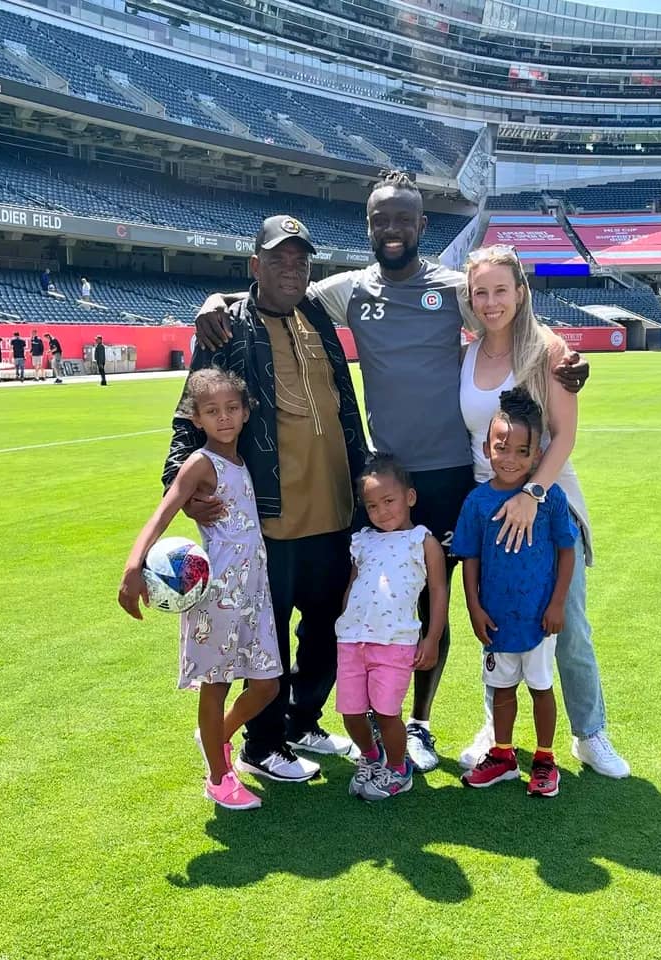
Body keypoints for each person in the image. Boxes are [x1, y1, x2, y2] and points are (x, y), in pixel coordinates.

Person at [193, 171, 590, 773]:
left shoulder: (454, 289)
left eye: (404, 219)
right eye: (382, 220)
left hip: (452, 476)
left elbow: (508, 309)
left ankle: (419, 724)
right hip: (386, 480)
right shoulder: (349, 290)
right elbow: (280, 286)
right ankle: (346, 716)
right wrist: (216, 300)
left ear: (423, 225)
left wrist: (565, 354)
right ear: (369, 227)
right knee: (371, 600)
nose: (393, 229)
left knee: (436, 603)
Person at [162, 215, 368, 784]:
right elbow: (188, 415)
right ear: (255, 265)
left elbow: (344, 406)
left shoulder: (317, 316)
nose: (291, 270)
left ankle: (303, 722)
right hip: (268, 519)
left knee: (326, 629)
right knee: (267, 642)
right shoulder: (227, 328)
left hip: (336, 511)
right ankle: (262, 743)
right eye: (278, 259)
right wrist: (180, 483)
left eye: (300, 261)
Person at [457, 244, 629, 778]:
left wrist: (531, 496)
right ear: (469, 297)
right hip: (490, 509)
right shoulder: (466, 353)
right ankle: (496, 731)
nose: (491, 302)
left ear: (520, 292)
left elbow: (565, 435)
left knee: (568, 624)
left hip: (546, 501)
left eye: (500, 290)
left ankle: (590, 733)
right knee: (497, 623)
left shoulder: (548, 350)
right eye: (480, 292)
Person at [119, 368, 281, 811]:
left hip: (254, 593)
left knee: (267, 685)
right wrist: (134, 565)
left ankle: (216, 738)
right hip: (216, 598)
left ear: (245, 413)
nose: (223, 418)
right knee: (217, 685)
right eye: (212, 411)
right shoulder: (200, 463)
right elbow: (163, 512)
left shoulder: (241, 460)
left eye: (231, 408)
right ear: (197, 418)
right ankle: (217, 778)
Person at [453, 388, 577, 797]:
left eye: (522, 452)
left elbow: (566, 550)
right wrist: (474, 608)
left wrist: (557, 603)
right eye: (501, 447)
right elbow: (470, 558)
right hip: (497, 618)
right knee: (502, 688)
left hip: (539, 617)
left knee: (541, 687)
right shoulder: (476, 502)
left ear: (537, 455)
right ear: (486, 448)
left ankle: (545, 760)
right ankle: (503, 755)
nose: (510, 459)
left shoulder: (549, 497)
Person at [337, 455, 447, 802]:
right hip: (352, 640)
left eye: (389, 501)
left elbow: (438, 591)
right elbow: (353, 584)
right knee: (351, 713)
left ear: (409, 497)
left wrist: (432, 638)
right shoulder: (363, 540)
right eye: (372, 505)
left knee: (386, 713)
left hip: (395, 642)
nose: (381, 511)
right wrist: (345, 620)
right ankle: (372, 757)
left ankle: (399, 769)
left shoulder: (422, 541)